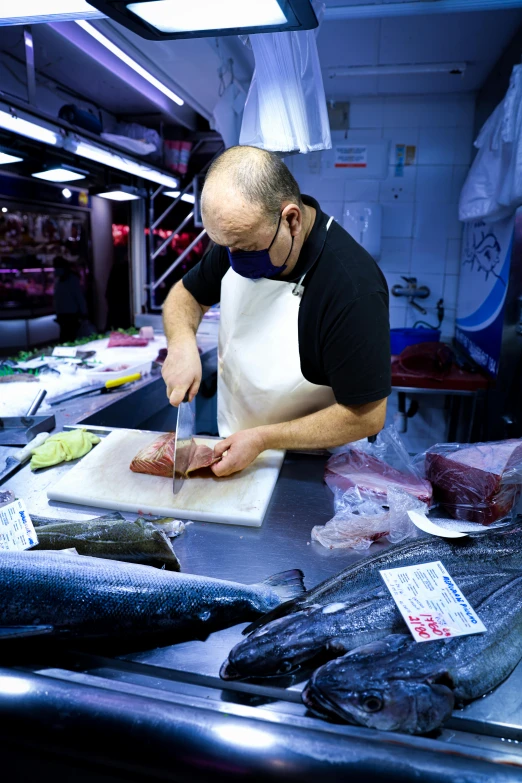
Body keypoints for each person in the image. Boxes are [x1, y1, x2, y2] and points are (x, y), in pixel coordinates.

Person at [162, 146, 391, 477]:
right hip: (234, 448)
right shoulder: (238, 239)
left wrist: (263, 439)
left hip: (316, 467)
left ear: (291, 220)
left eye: (249, 249)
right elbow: (186, 295)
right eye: (227, 248)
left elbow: (367, 414)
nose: (235, 260)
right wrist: (182, 342)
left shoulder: (352, 286)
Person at [53, 256, 87, 343]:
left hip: (71, 315)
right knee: (66, 338)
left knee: (70, 338)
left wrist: (84, 312)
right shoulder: (59, 281)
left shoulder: (71, 280)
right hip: (64, 315)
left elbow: (79, 297)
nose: (55, 269)